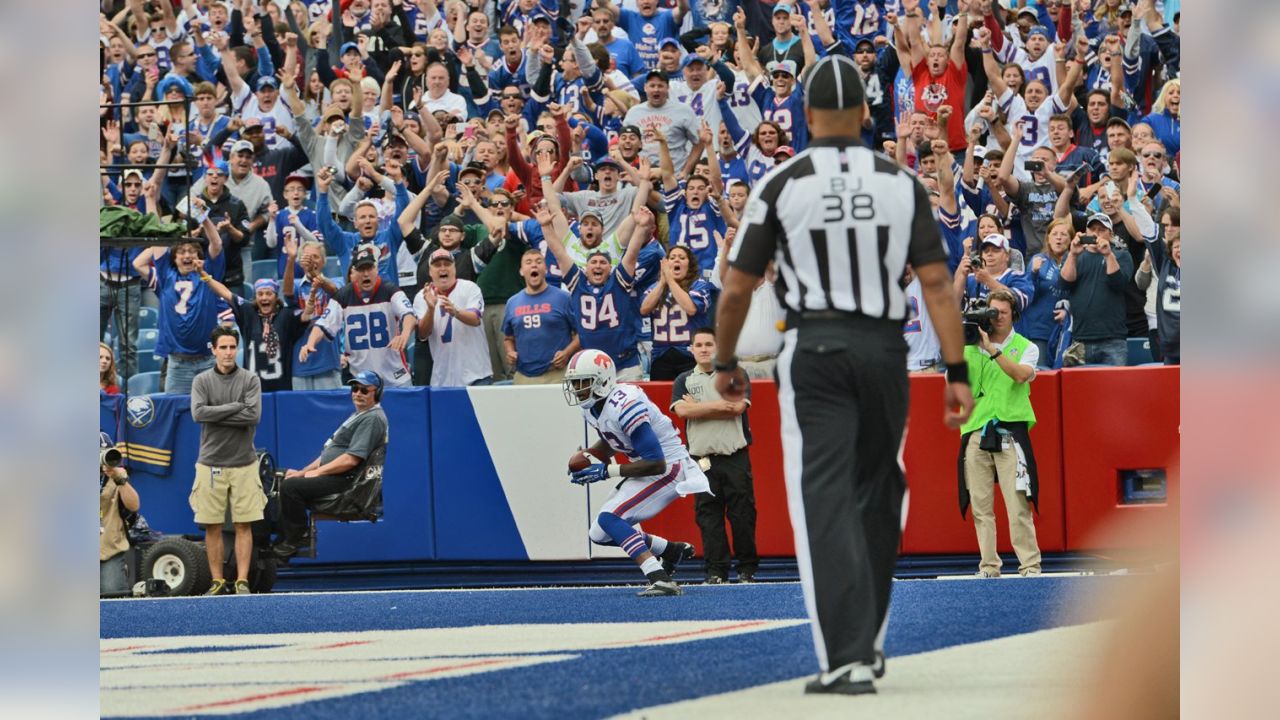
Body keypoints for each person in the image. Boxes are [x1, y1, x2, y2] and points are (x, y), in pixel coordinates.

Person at [712, 55, 973, 696]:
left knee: (824, 495)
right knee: (881, 488)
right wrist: (957, 368)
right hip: (883, 348)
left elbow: (737, 286)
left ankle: (848, 654)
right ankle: (868, 638)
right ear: (864, 113)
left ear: (804, 116)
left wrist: (723, 363)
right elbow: (936, 283)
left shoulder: (780, 183)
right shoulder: (899, 181)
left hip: (815, 348)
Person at [562, 349, 704, 597]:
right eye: (574, 384)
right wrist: (589, 456)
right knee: (599, 533)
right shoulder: (592, 406)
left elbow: (656, 462)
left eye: (583, 383)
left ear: (603, 380)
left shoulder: (624, 403)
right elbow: (612, 439)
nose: (577, 389)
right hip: (646, 467)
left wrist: (607, 471)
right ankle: (670, 550)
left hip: (669, 467)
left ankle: (659, 578)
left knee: (610, 518)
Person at [957, 289, 1043, 578]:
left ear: (1013, 314)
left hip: (1009, 433)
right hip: (975, 431)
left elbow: (1021, 375)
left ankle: (1030, 565)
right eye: (992, 312)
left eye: (1002, 313)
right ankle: (989, 566)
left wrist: (992, 350)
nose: (996, 318)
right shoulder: (971, 345)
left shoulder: (1026, 346)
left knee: (1017, 504)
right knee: (981, 506)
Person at [672, 328, 757, 584]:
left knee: (742, 515)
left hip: (734, 457)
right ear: (691, 349)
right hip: (701, 461)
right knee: (708, 518)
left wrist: (697, 408)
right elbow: (682, 412)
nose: (704, 348)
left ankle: (747, 569)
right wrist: (719, 405)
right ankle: (716, 571)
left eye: (709, 344)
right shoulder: (683, 379)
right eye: (699, 344)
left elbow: (737, 408)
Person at [273, 370, 389, 559]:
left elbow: (351, 459)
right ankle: (280, 537)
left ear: (377, 393)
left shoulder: (373, 418)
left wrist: (318, 473)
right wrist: (302, 472)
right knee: (279, 476)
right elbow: (327, 453)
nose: (358, 393)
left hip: (346, 480)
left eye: (364, 390)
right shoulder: (360, 415)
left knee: (290, 487)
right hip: (335, 475)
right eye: (355, 388)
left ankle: (295, 538)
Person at [189, 326, 265, 596]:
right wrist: (236, 407)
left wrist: (216, 413)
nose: (228, 352)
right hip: (210, 463)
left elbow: (253, 416)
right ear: (213, 350)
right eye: (223, 347)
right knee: (213, 525)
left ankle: (242, 581)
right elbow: (198, 414)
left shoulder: (250, 379)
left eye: (232, 347)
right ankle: (218, 581)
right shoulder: (201, 381)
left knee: (244, 524)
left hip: (244, 462)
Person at [303, 244, 417, 387]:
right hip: (362, 380)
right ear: (354, 272)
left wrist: (404, 335)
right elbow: (323, 324)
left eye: (369, 268)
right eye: (361, 269)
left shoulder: (390, 290)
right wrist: (310, 343)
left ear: (376, 269)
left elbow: (409, 315)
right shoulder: (343, 296)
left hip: (395, 375)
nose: (366, 274)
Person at [1059, 213, 1134, 366]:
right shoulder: (1074, 256)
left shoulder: (1121, 255)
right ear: (1085, 232)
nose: (1096, 234)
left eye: (1101, 230)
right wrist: (1073, 254)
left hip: (1113, 339)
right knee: (1079, 389)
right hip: (1080, 338)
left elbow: (1118, 283)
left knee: (1115, 389)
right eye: (1092, 229)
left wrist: (1108, 255)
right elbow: (1063, 284)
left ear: (1111, 235)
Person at [413, 249, 492, 386]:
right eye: (437, 265)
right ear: (430, 272)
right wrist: (431, 309)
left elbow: (475, 319)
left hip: (476, 375)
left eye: (447, 264)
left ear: (454, 268)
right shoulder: (422, 296)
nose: (443, 268)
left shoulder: (470, 288)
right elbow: (423, 334)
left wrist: (456, 312)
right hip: (442, 379)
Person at [502, 249, 579, 385]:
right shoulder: (512, 302)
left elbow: (580, 334)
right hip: (523, 377)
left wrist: (567, 353)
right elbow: (508, 338)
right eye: (528, 262)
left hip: (557, 374)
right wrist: (510, 352)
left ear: (546, 269)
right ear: (521, 271)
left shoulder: (564, 298)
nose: (534, 265)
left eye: (539, 261)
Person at [1137, 207, 1180, 364]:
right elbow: (1140, 283)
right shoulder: (1161, 257)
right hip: (1164, 331)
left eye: (1173, 225)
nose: (1168, 229)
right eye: (1165, 225)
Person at [100, 435, 140, 596]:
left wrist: (120, 479)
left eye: (105, 452)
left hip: (108, 549)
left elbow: (134, 505)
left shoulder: (115, 476)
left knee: (113, 599)